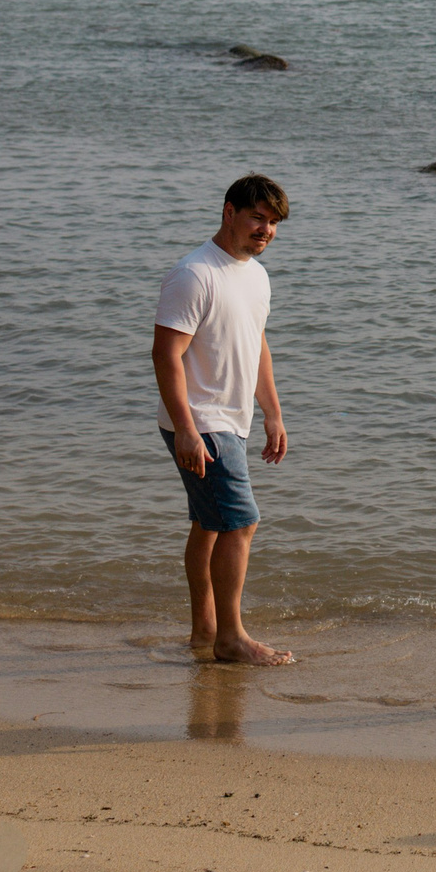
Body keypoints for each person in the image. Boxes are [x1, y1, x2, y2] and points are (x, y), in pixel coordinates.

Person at [152, 174, 294, 667]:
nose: (266, 230)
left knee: (209, 525)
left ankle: (205, 630)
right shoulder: (194, 274)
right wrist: (187, 429)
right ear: (229, 212)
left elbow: (257, 345)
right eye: (257, 218)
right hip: (202, 421)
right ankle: (231, 638)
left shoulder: (256, 275)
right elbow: (166, 355)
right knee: (241, 522)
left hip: (230, 420)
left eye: (273, 222)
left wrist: (273, 413)